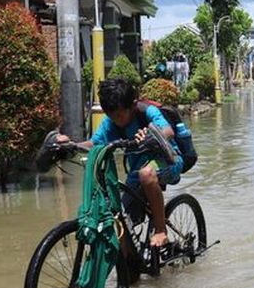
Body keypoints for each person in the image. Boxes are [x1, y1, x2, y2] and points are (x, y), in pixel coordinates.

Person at [57, 78, 182, 248]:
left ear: (132, 105)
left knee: (146, 174)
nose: (116, 120)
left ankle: (160, 229)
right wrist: (70, 145)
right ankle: (131, 265)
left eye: (120, 115)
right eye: (111, 115)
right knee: (119, 222)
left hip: (168, 161)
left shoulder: (147, 112)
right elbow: (94, 143)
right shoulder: (111, 123)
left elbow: (168, 131)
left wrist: (152, 135)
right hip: (135, 172)